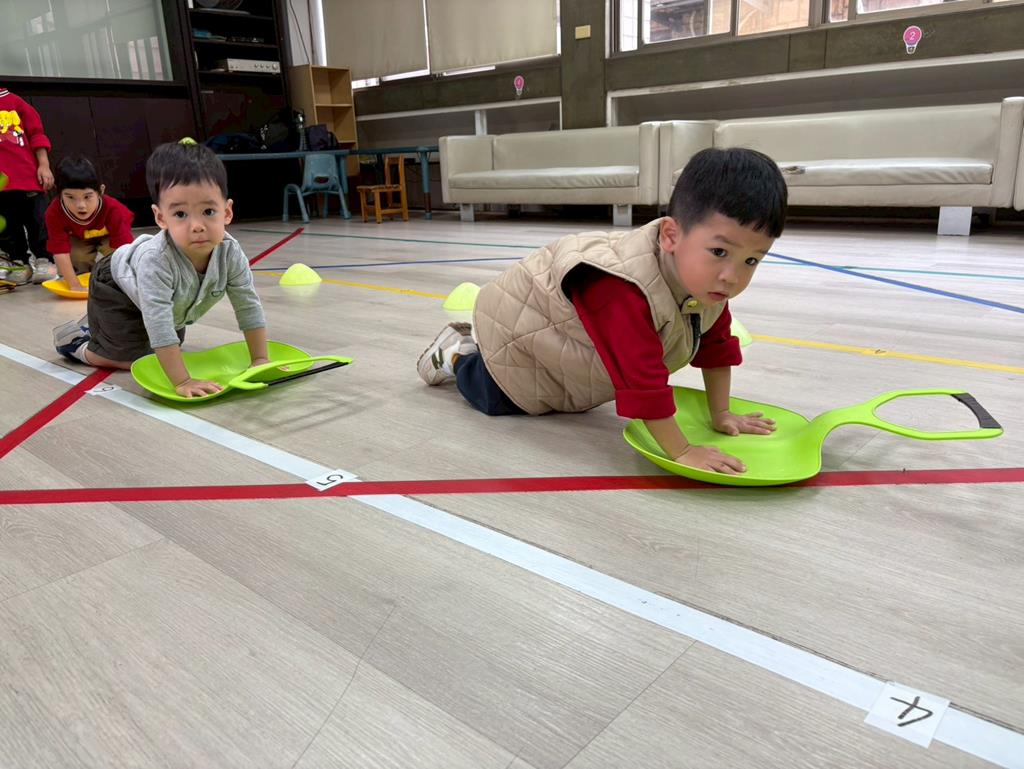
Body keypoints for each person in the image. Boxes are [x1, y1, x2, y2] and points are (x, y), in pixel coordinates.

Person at [416, 147, 788, 475]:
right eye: (719, 252)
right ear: (671, 236)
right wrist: (683, 451)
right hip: (517, 334)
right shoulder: (621, 289)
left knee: (565, 398)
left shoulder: (707, 286)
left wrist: (721, 413)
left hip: (562, 343)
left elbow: (716, 347)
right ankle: (458, 353)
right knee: (499, 398)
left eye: (751, 260)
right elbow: (642, 383)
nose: (731, 276)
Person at [53, 139, 268, 399]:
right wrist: (183, 381)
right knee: (132, 358)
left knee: (168, 346)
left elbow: (248, 305)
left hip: (150, 293)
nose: (197, 226)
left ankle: (102, 326)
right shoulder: (158, 260)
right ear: (160, 217)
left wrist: (260, 359)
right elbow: (159, 324)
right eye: (181, 214)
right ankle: (77, 342)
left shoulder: (230, 253)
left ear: (227, 212)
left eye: (209, 211)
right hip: (115, 285)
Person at [45, 155, 135, 292]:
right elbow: (60, 251)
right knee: (78, 257)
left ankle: (111, 276)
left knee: (116, 256)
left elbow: (125, 248)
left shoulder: (113, 209)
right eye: (70, 197)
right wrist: (74, 285)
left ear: (101, 191)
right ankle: (85, 276)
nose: (80, 205)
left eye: (87, 197)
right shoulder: (54, 212)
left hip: (109, 238)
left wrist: (129, 281)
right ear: (59, 194)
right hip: (79, 238)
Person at [0, 85, 57, 282]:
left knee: (38, 221)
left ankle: (45, 260)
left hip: (27, 177)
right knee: (8, 227)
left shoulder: (15, 102)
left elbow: (36, 134)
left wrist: (44, 165)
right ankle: (18, 263)